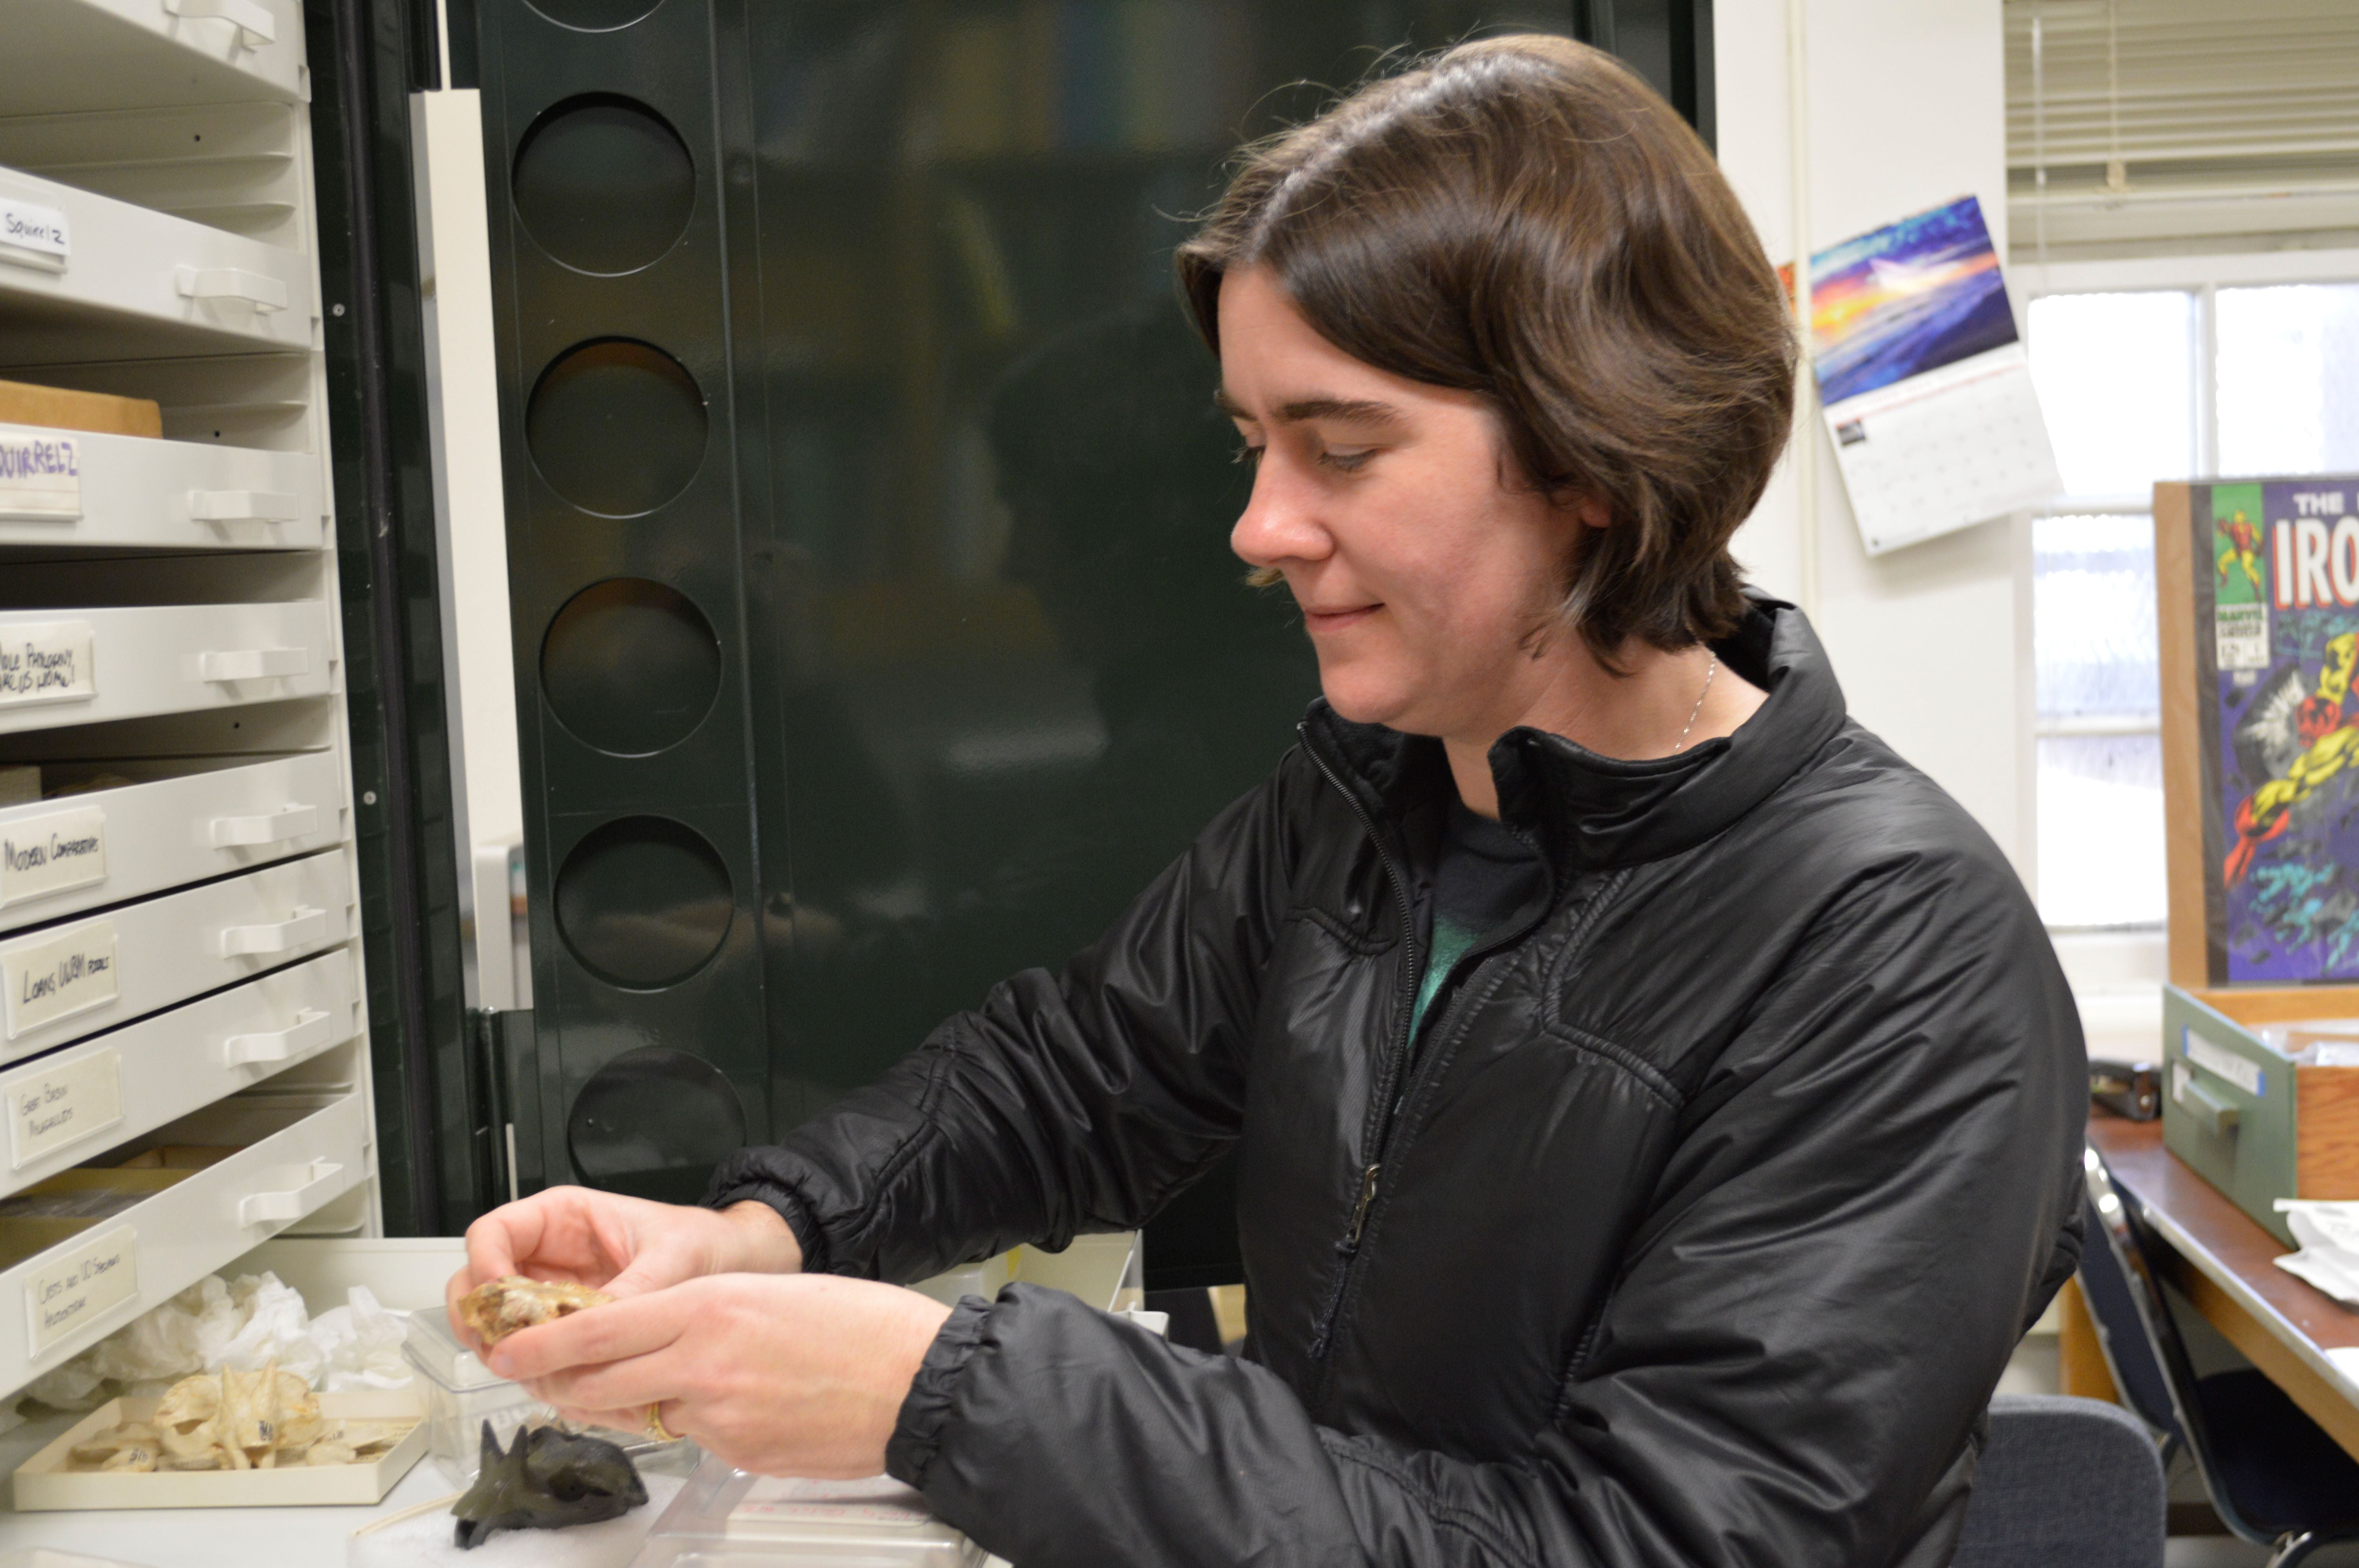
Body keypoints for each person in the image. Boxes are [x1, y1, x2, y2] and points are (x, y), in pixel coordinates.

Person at [450, 34, 2085, 1567]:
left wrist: (943, 1390)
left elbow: (1639, 1541)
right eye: (1252, 443)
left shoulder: (1900, 963)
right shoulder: (1371, 807)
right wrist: (758, 1229)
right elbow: (1072, 1076)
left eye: (1340, 448)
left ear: (1596, 452)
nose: (1256, 525)